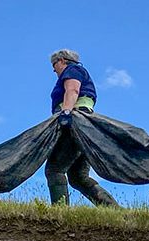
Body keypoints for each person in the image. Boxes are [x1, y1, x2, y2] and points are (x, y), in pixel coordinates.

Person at [42, 49, 118, 207]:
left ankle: (60, 214)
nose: (53, 69)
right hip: (85, 125)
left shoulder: (73, 70)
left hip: (74, 121)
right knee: (78, 177)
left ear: (62, 60)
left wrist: (67, 113)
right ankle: (116, 211)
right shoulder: (77, 71)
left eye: (54, 64)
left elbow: (73, 89)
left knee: (54, 169)